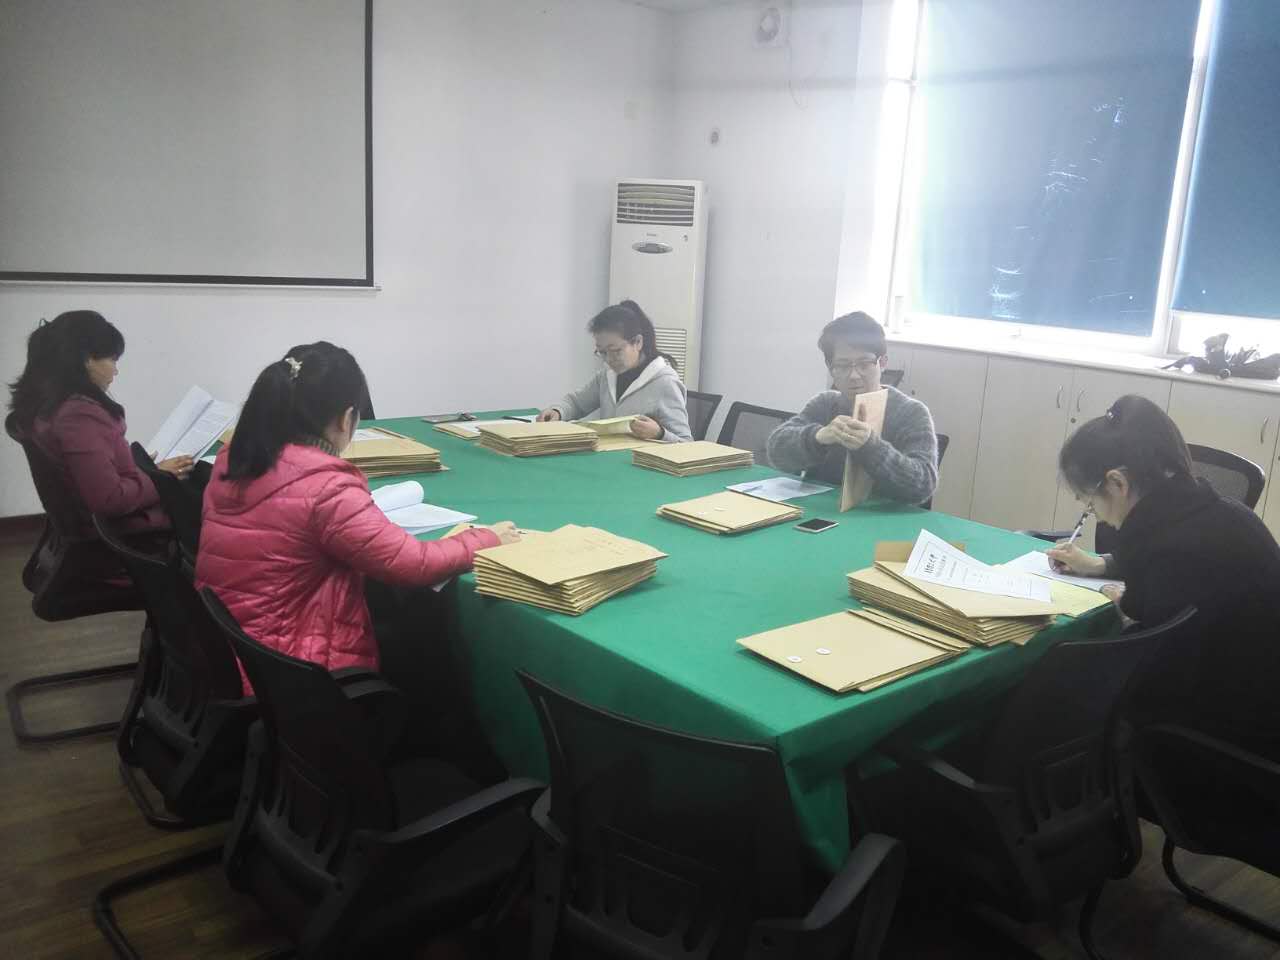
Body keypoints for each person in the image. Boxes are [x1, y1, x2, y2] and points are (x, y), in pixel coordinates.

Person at [196, 342, 518, 691]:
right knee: (426, 650)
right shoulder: (325, 485)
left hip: (227, 653)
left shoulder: (234, 458)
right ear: (346, 417)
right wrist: (487, 538)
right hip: (293, 673)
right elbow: (412, 563)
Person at [1048, 394, 1280, 747]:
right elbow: (1161, 555)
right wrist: (1102, 564)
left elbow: (1149, 677)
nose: (1094, 513)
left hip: (1229, 736)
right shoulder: (1214, 513)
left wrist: (1127, 615)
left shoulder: (1177, 555)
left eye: (1090, 502)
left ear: (1117, 483)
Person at [8, 310, 192, 539]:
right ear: (86, 359)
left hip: (92, 526)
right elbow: (110, 500)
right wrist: (159, 477)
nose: (116, 370)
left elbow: (87, 472)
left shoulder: (48, 406)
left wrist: (144, 469)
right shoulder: (78, 415)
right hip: (125, 531)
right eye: (112, 359)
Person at [766, 312, 937, 503]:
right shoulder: (826, 404)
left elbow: (923, 486)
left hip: (880, 515)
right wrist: (817, 437)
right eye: (843, 365)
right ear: (831, 368)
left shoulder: (911, 412)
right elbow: (775, 451)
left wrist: (872, 447)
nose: (854, 375)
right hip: (820, 507)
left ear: (882, 363)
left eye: (864, 364)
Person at [537, 300, 692, 442]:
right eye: (602, 352)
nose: (609, 359)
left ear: (638, 342)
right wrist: (558, 411)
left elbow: (686, 444)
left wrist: (659, 433)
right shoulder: (607, 375)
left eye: (616, 351)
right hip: (607, 455)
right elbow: (577, 403)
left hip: (641, 462)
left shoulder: (665, 383)